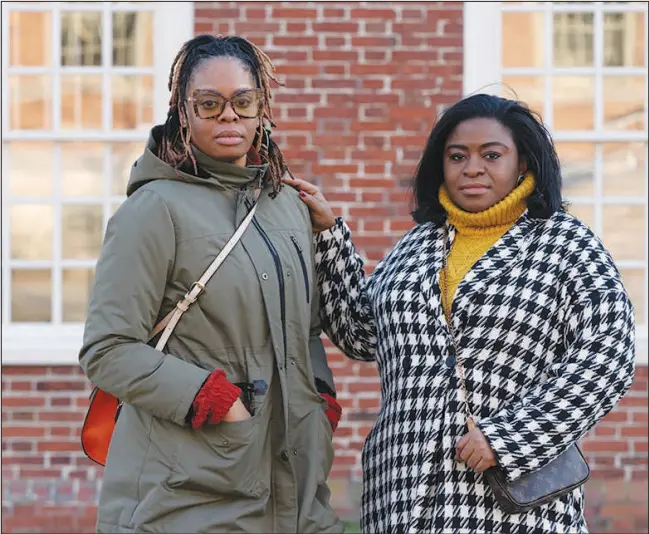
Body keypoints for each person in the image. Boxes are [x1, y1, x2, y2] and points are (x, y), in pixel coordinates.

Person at [285, 93, 636, 534]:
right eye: (457, 156)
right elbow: (360, 332)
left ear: (523, 162)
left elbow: (608, 357)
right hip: (401, 494)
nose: (472, 168)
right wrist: (329, 236)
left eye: (492, 155)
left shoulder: (565, 245)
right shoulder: (417, 247)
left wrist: (510, 438)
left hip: (512, 502)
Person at [79, 34, 343, 534]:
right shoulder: (153, 210)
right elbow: (107, 348)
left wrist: (318, 395)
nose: (229, 116)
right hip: (188, 492)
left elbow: (306, 327)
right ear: (184, 111)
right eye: (210, 103)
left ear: (262, 107)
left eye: (243, 102)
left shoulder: (285, 205)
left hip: (298, 487)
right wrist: (212, 396)